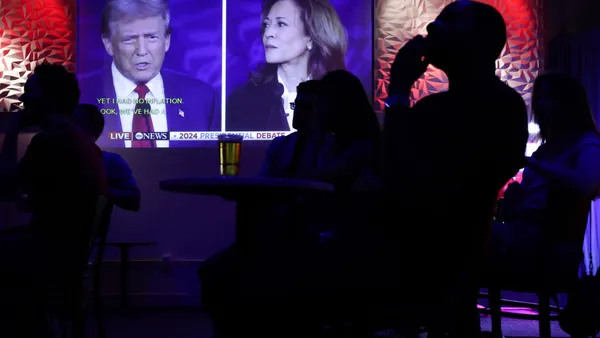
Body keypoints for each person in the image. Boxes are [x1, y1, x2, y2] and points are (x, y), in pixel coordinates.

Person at [382, 1, 529, 336]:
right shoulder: (494, 104)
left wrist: (399, 90)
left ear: (481, 40)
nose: (433, 28)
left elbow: (398, 169)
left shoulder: (499, 106)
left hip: (439, 246)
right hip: (436, 245)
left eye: (449, 21)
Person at [201, 70, 383, 338]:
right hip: (291, 237)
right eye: (302, 106)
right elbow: (268, 186)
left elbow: (320, 185)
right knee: (217, 271)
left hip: (328, 245)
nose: (309, 112)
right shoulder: (283, 145)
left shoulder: (351, 149)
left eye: (316, 106)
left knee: (238, 275)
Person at [0, 63, 108, 337]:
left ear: (47, 99)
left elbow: (5, 186)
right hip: (69, 251)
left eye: (29, 92)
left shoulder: (51, 142)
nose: (23, 99)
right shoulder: (78, 140)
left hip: (50, 253)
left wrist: (12, 131)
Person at [488, 72, 600, 287]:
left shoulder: (587, 143)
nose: (540, 103)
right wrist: (514, 201)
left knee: (465, 236)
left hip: (549, 248)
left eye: (549, 97)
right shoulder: (547, 149)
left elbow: (587, 184)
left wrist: (532, 164)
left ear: (568, 104)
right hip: (527, 236)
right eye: (538, 97)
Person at [78, 0, 220, 148]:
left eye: (151, 37)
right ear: (108, 44)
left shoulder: (202, 99)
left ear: (166, 41)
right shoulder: (80, 97)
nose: (142, 51)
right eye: (129, 39)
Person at [226, 0, 347, 131]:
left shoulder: (341, 97)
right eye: (267, 24)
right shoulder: (242, 101)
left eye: (281, 24)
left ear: (311, 37)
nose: (268, 33)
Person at [74, 104, 141, 211]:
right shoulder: (47, 153)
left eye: (76, 123)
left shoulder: (108, 161)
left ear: (93, 133)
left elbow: (133, 200)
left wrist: (99, 189)